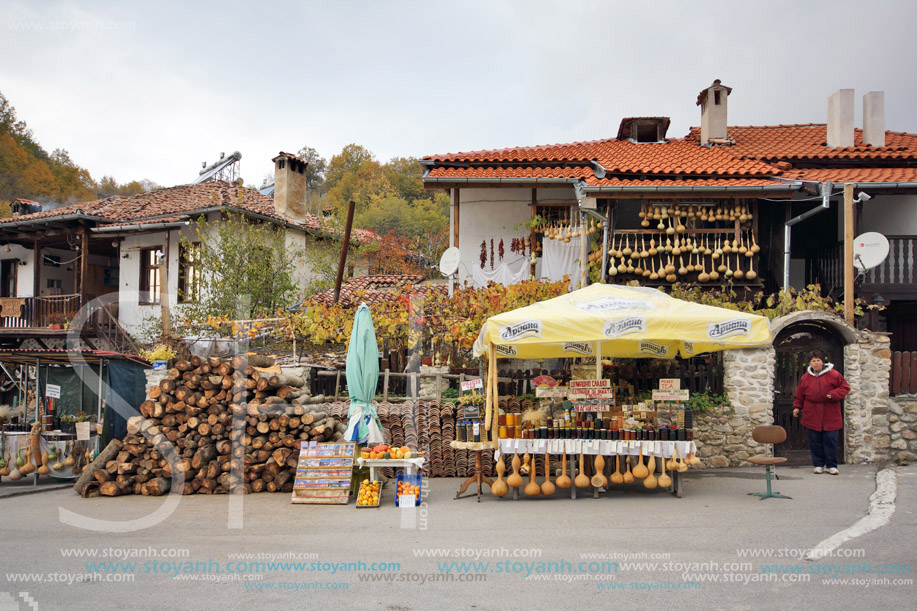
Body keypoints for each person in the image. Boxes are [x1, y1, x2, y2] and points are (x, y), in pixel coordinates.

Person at [792, 351, 850, 475]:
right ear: (810, 363)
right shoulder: (805, 377)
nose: (816, 363)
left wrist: (834, 394)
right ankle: (818, 465)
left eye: (818, 360)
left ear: (822, 361)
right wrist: (797, 407)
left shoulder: (834, 374)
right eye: (813, 361)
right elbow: (799, 395)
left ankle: (831, 465)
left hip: (831, 412)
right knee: (815, 441)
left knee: (830, 440)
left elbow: (845, 388)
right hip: (812, 412)